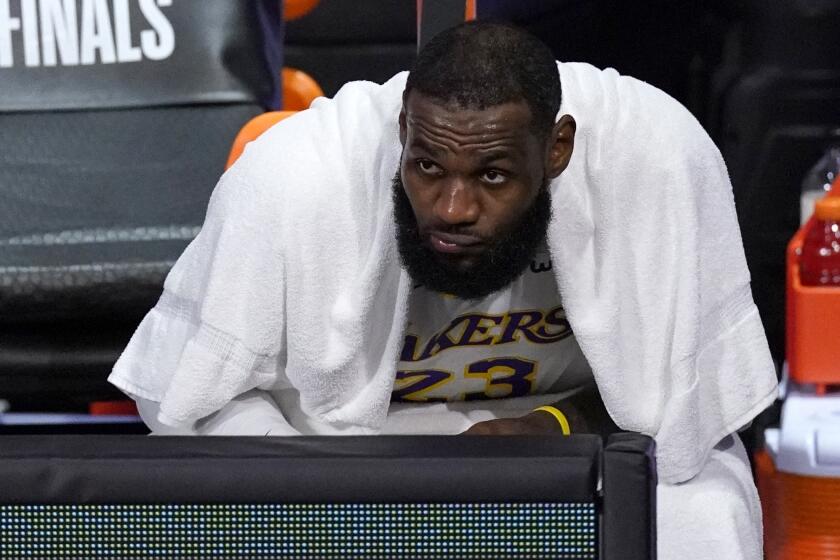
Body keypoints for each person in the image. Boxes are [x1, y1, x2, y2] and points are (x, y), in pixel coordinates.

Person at [110, 21, 777, 559]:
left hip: (570, 437)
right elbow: (182, 403)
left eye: (492, 176)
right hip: (341, 448)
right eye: (427, 166)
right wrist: (323, 490)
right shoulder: (296, 182)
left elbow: (688, 406)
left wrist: (556, 427)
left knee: (703, 513)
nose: (452, 208)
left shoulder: (654, 167)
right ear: (402, 131)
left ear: (556, 150)